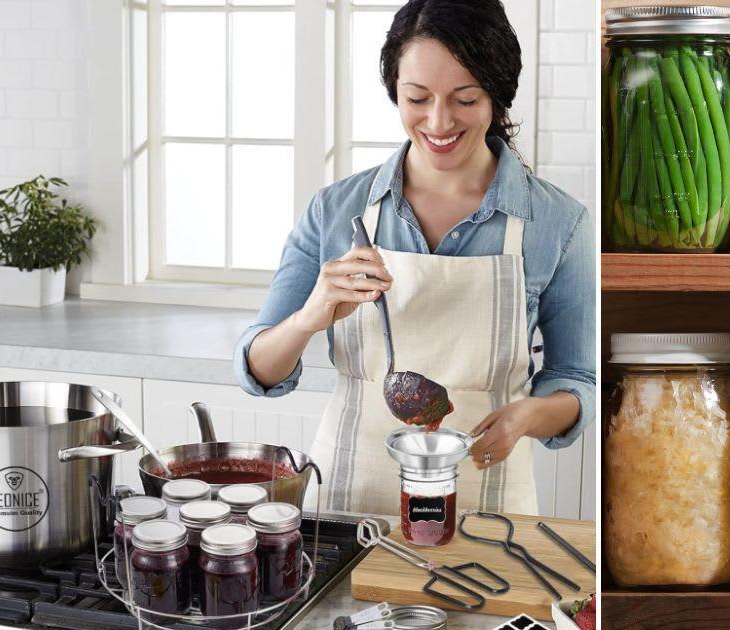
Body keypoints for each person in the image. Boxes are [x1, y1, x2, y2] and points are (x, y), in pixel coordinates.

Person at [232, 0, 594, 516]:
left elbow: (579, 381)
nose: (438, 121)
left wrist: (528, 417)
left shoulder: (559, 223)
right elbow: (258, 369)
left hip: (486, 498)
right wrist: (310, 317)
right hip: (350, 503)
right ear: (395, 93)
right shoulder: (337, 210)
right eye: (417, 98)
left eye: (465, 99)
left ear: (496, 95)